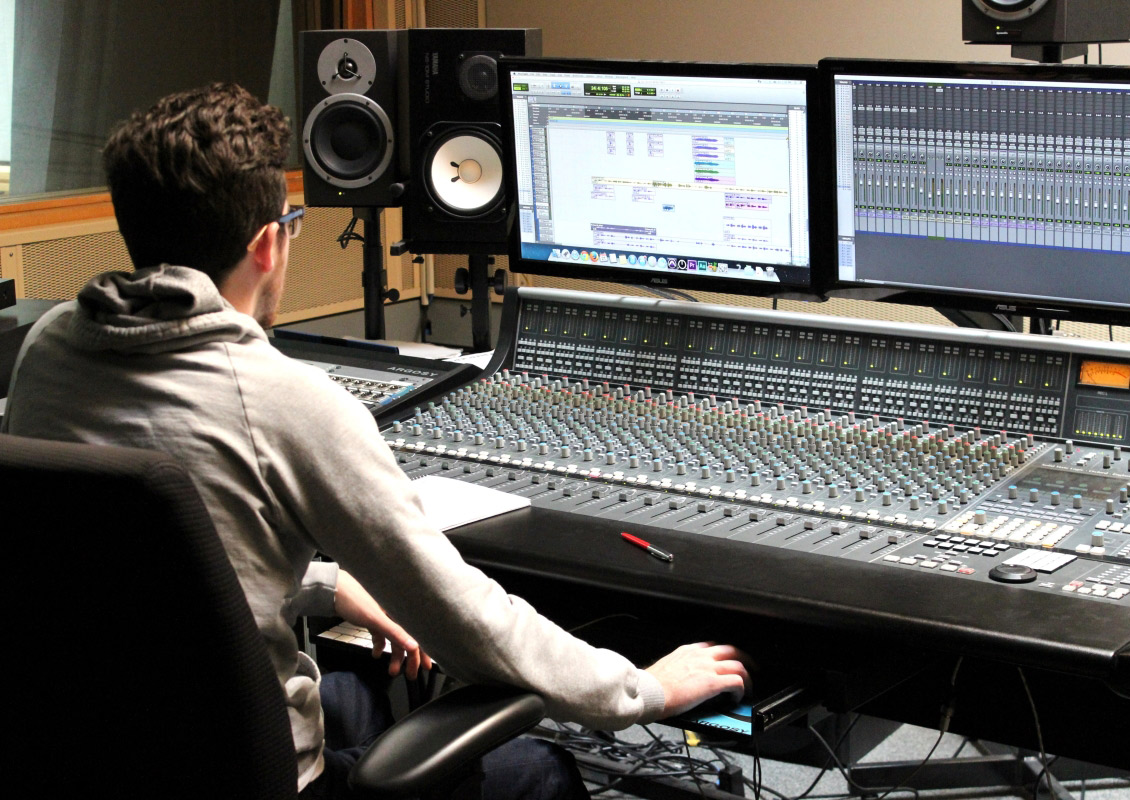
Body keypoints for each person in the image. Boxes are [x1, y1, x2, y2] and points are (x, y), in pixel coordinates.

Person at [1, 83, 749, 797]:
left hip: (89, 746)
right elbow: (468, 624)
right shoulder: (287, 402)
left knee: (367, 685)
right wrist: (645, 689)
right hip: (262, 771)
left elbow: (145, 561)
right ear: (268, 244)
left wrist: (329, 587)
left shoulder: (49, 348)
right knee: (537, 770)